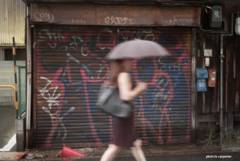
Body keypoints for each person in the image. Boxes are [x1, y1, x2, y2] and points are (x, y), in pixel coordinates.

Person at [100, 59, 147, 161]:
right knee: (115, 147)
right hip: (125, 116)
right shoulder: (124, 75)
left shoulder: (120, 75)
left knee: (135, 144)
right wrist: (138, 89)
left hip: (126, 116)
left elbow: (129, 91)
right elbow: (125, 96)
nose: (130, 62)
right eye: (128, 60)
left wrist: (139, 88)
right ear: (122, 62)